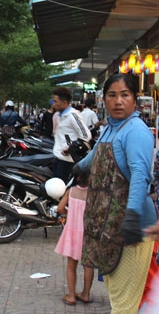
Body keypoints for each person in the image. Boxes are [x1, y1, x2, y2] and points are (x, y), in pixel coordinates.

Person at [75, 73, 157, 313]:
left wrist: (131, 216)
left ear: (134, 100)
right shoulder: (110, 128)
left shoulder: (136, 131)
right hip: (108, 226)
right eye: (112, 95)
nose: (118, 101)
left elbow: (140, 177)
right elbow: (97, 153)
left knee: (124, 303)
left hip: (131, 228)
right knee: (116, 291)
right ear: (104, 100)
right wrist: (81, 166)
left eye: (125, 95)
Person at [54, 175, 94, 306]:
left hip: (72, 232)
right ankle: (86, 294)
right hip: (88, 233)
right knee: (88, 265)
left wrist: (69, 213)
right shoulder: (93, 193)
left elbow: (60, 208)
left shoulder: (70, 191)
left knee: (71, 266)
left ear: (77, 178)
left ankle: (71, 296)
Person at [52, 87, 91, 182]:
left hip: (67, 162)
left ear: (64, 102)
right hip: (59, 159)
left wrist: (70, 148)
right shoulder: (61, 115)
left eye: (56, 101)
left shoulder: (73, 115)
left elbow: (86, 135)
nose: (54, 104)